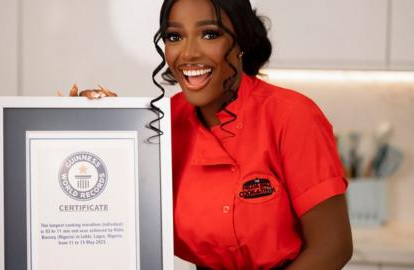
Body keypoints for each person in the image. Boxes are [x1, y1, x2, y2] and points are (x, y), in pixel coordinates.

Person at [66, 0, 353, 269]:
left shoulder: (292, 116)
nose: (188, 53)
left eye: (209, 34)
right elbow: (111, 215)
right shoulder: (160, 125)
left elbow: (333, 245)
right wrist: (98, 129)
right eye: (175, 37)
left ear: (241, 41)